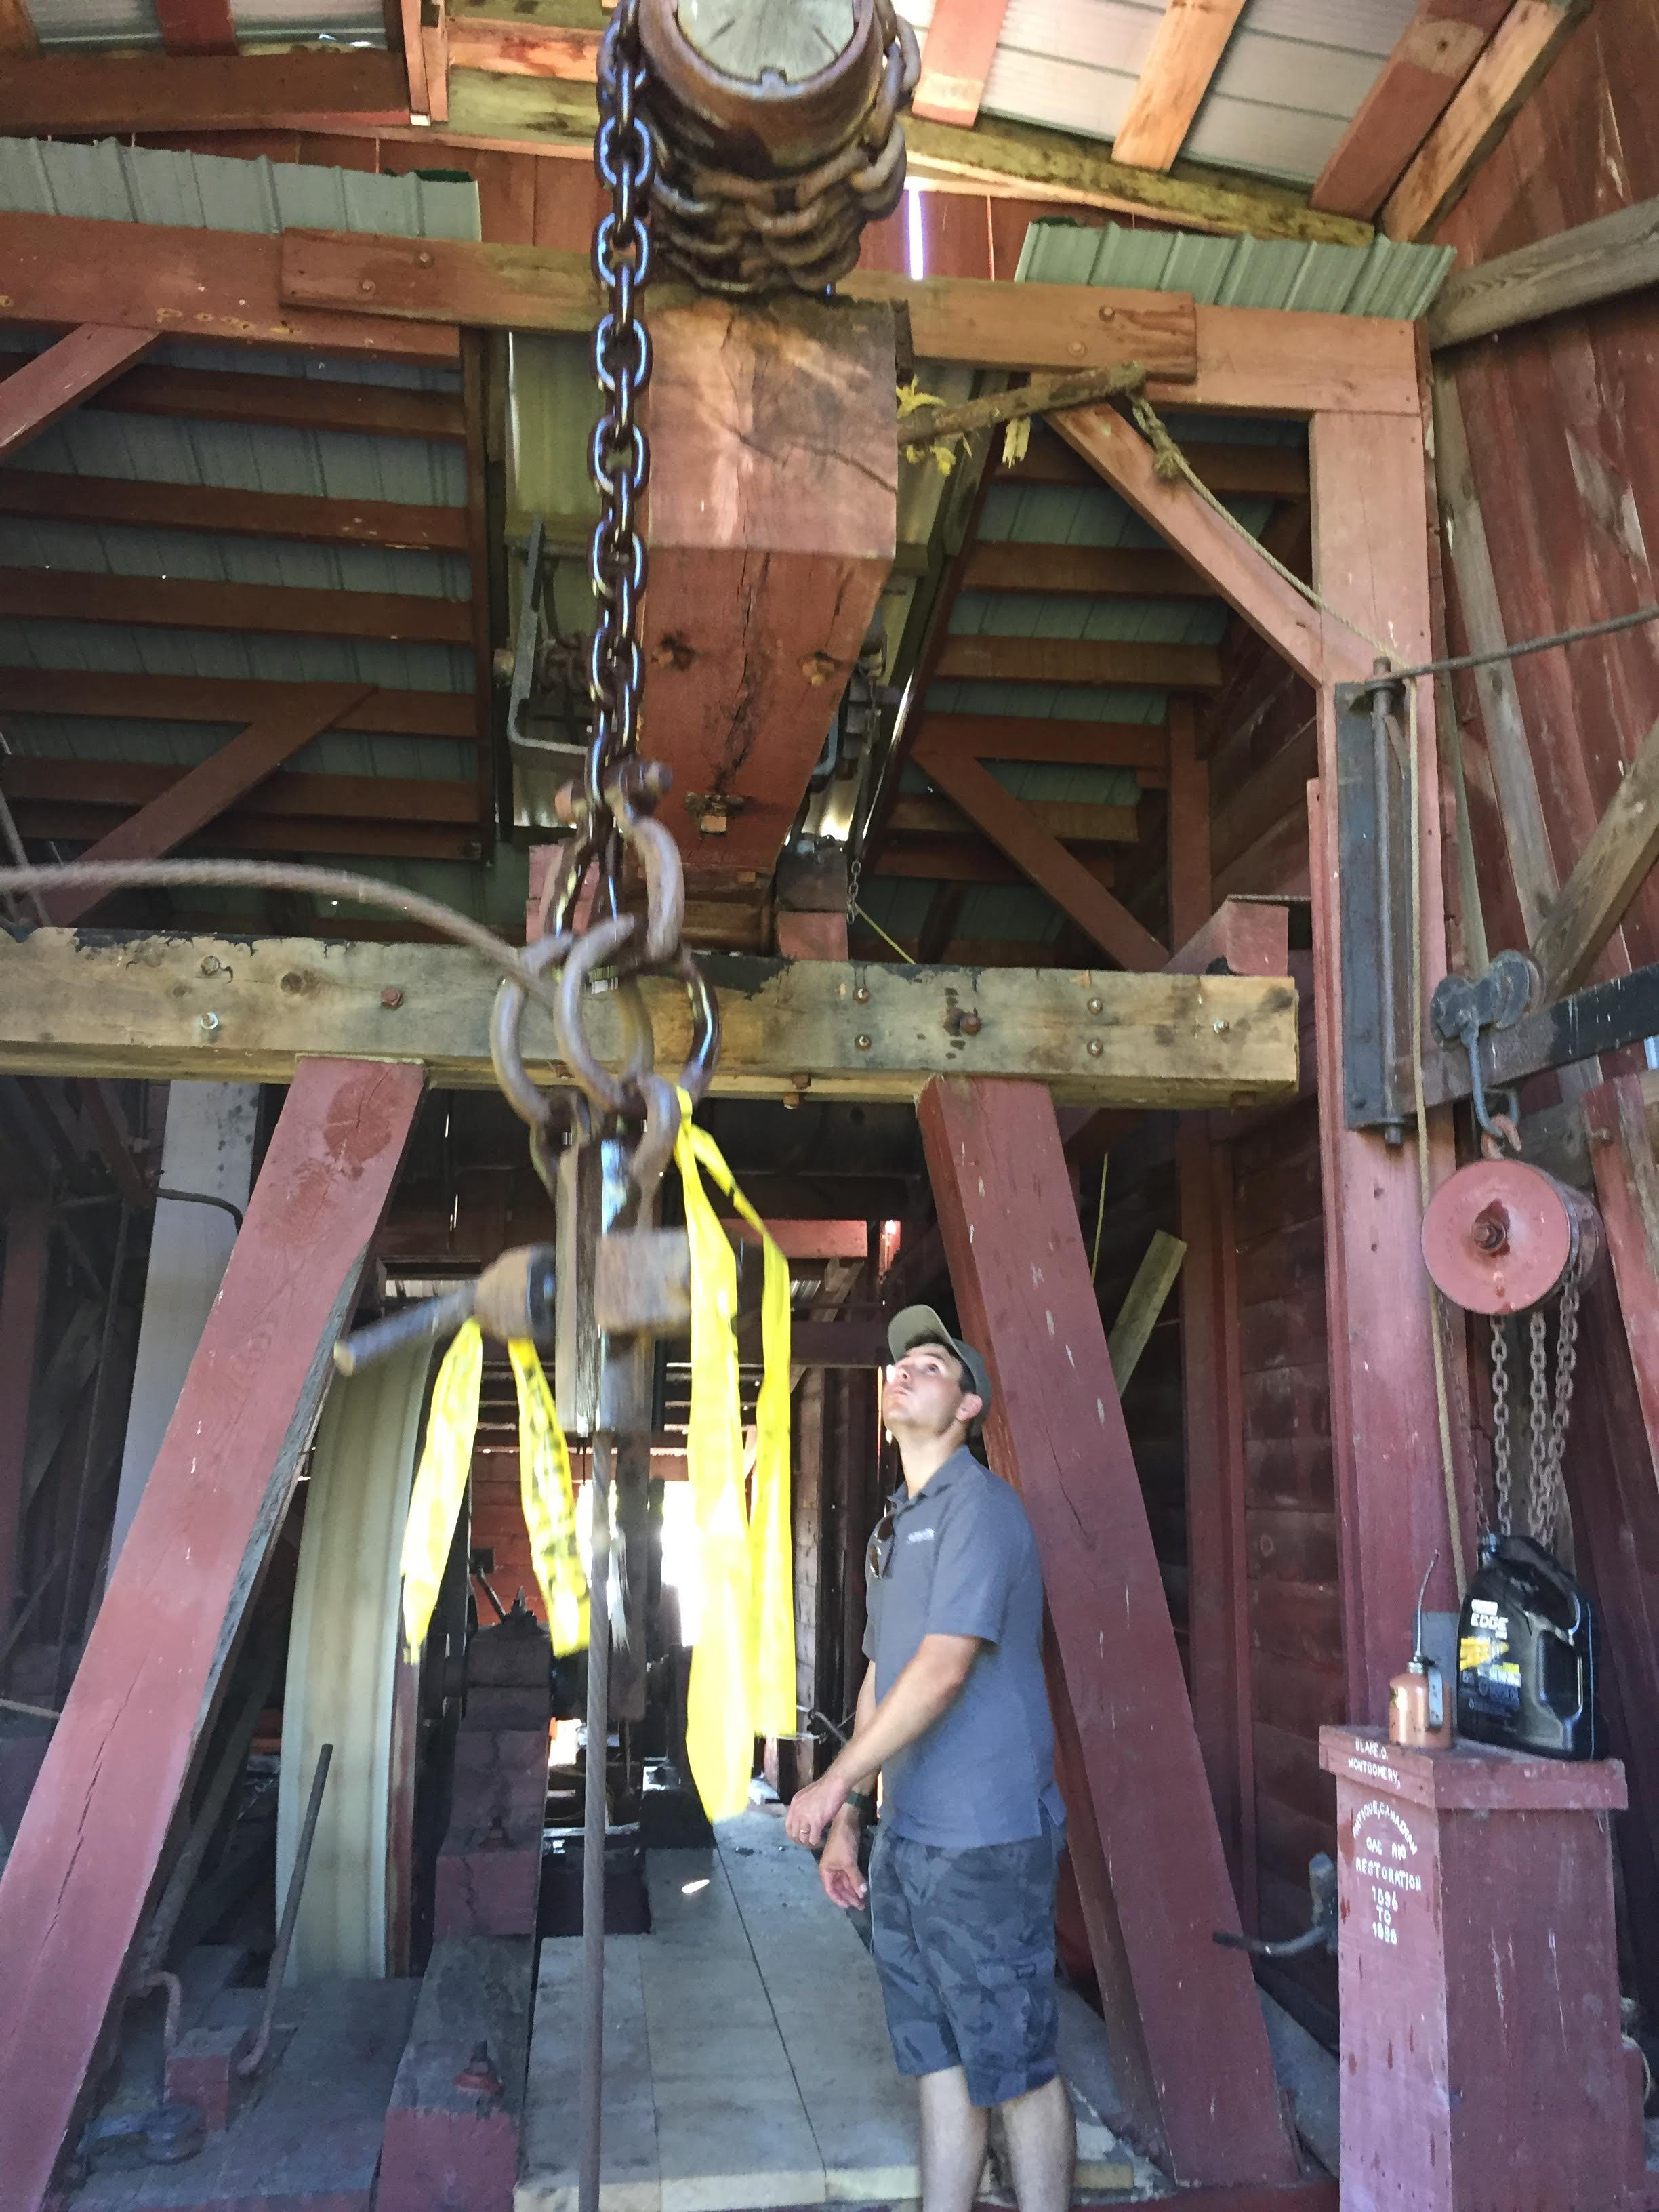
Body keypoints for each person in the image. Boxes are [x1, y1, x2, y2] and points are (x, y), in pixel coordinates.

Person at [783, 1305, 1073, 2212]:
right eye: (899, 1363)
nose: (904, 1371)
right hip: (910, 1840)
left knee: (1015, 2067)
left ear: (969, 1408)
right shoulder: (895, 1526)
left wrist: (832, 1777)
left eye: (932, 1366)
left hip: (986, 1842)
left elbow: (944, 1669)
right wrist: (851, 1819)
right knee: (938, 2060)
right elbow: (884, 1675)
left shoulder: (981, 1509)